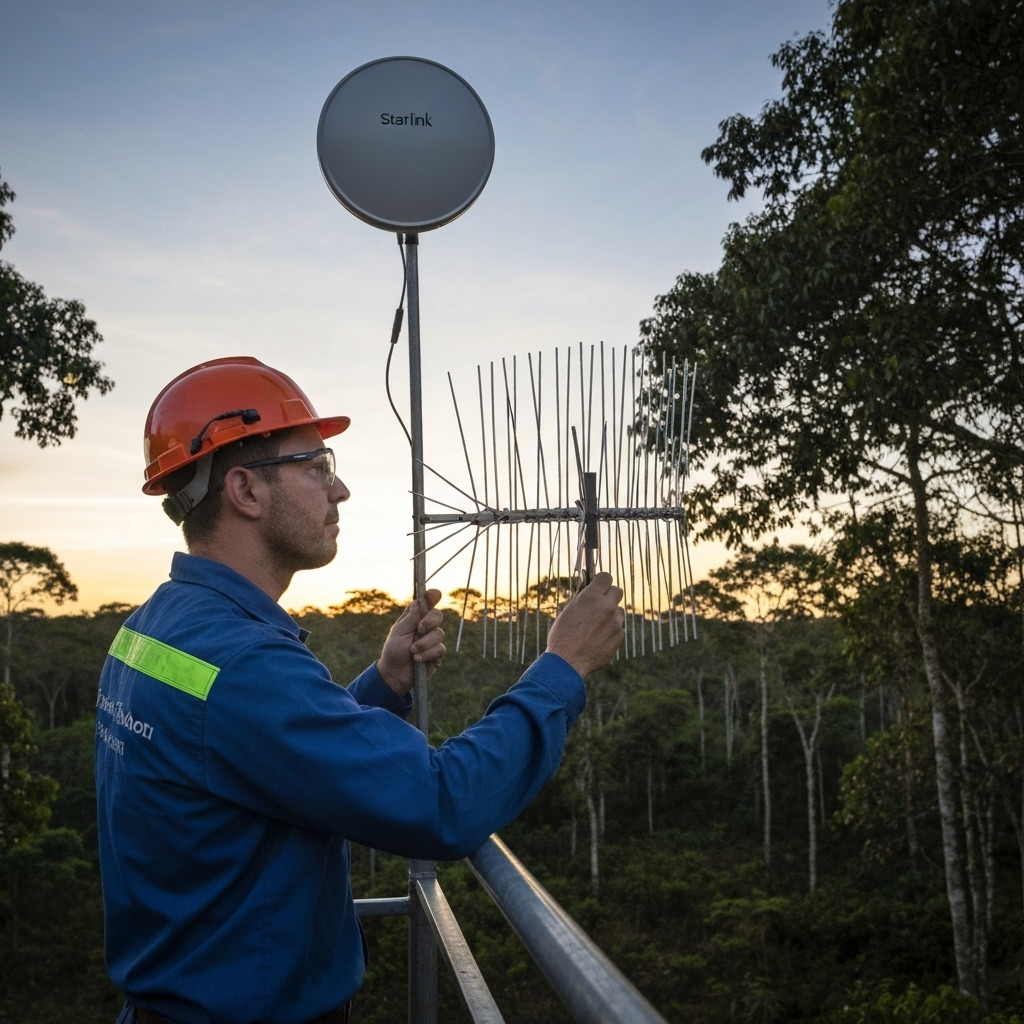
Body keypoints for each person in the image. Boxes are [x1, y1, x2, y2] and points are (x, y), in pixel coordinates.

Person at [96, 356, 625, 1024]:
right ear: (245, 491)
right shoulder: (244, 660)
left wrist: (383, 683)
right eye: (316, 466)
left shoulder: (158, 625)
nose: (339, 490)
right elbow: (441, 805)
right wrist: (563, 667)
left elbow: (254, 753)